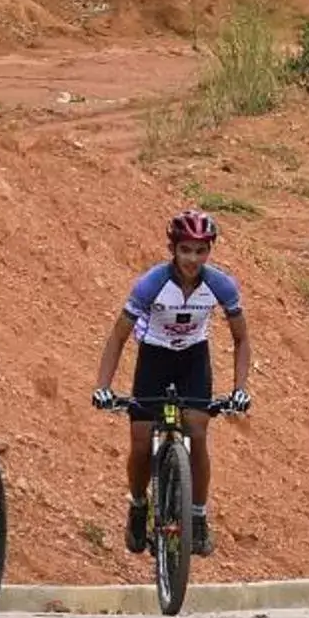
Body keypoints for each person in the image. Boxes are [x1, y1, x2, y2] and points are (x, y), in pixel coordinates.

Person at [93, 209, 252, 557]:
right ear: (172, 249)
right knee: (138, 442)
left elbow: (241, 339)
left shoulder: (220, 285)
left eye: (200, 250)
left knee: (197, 431)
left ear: (209, 250)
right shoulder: (151, 283)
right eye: (185, 250)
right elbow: (118, 336)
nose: (192, 259)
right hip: (154, 356)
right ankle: (138, 504)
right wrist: (103, 386)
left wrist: (240, 389)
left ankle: (197, 516)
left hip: (194, 358)